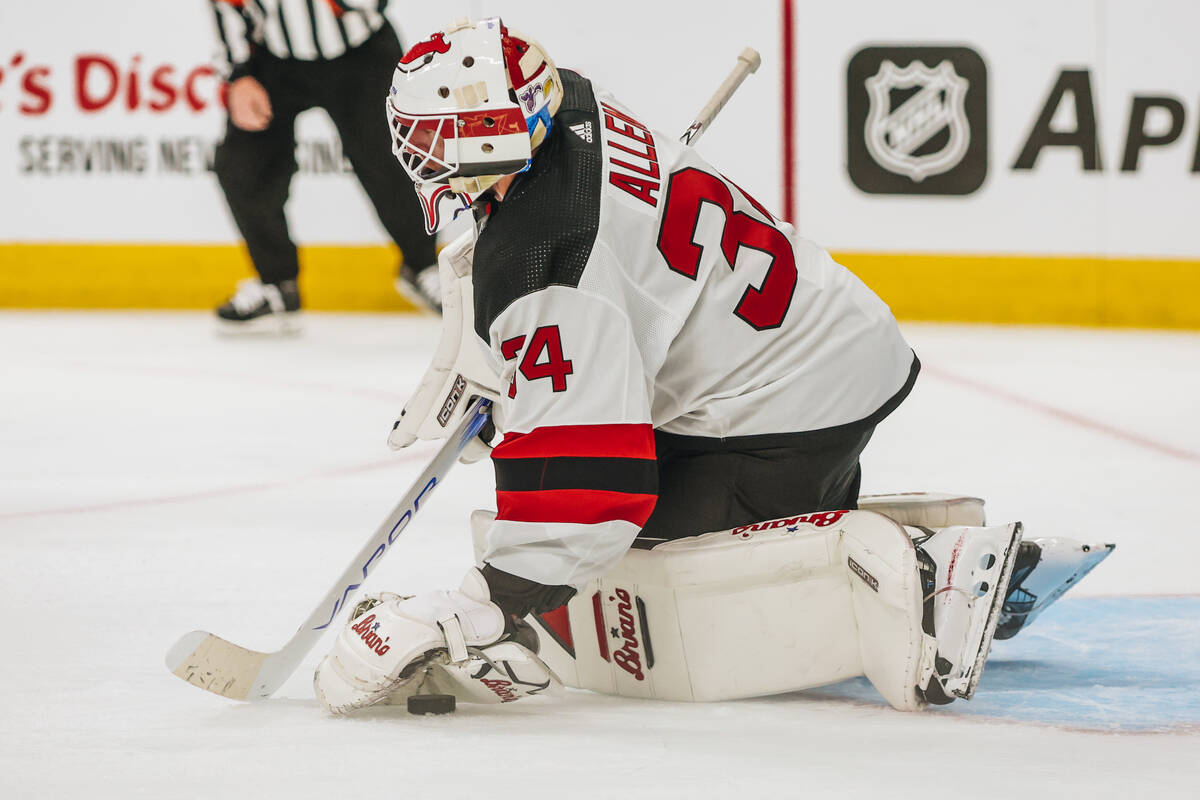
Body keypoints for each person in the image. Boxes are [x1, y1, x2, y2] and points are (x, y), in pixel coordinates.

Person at [312, 19, 1105, 715]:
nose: (417, 156)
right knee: (560, 484)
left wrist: (487, 605)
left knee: (647, 561)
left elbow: (591, 489)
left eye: (430, 137)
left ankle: (941, 581)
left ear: (489, 136)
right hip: (810, 340)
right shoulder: (570, 109)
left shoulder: (543, 259)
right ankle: (861, 530)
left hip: (785, 404)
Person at [208, 0, 442, 332]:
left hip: (361, 49)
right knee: (244, 166)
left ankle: (423, 265)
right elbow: (225, 5)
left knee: (391, 162)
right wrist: (239, 74)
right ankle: (277, 283)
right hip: (273, 56)